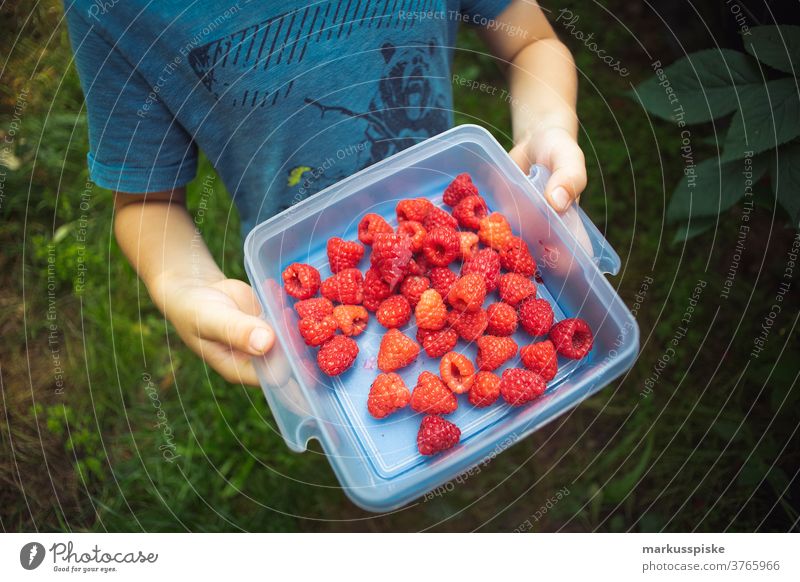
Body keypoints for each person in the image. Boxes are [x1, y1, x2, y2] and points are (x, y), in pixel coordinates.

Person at [65, 0, 586, 385]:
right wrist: (180, 281)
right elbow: (147, 201)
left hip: (443, 219)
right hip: (301, 282)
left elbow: (530, 41)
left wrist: (547, 127)